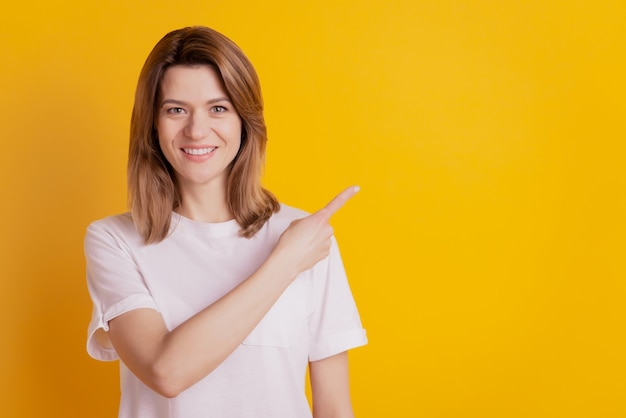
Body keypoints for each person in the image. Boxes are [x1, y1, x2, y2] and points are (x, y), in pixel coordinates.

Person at [84, 26, 367, 418]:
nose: (197, 130)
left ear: (244, 121)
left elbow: (334, 407)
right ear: (152, 123)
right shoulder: (115, 240)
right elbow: (165, 372)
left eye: (219, 108)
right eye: (176, 109)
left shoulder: (308, 236)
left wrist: (296, 250)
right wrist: (284, 263)